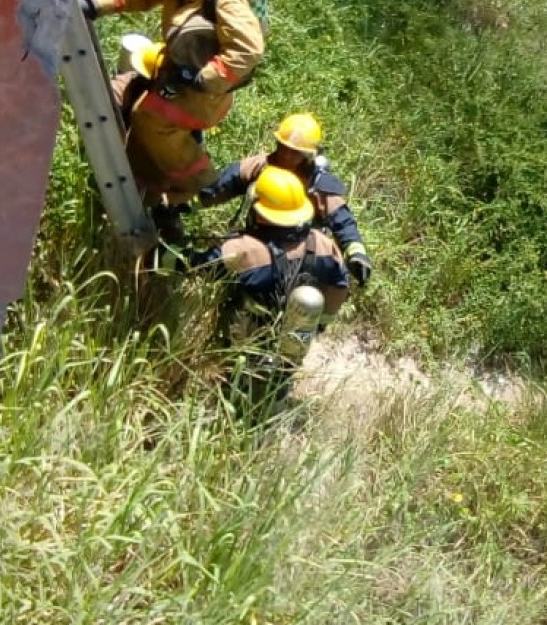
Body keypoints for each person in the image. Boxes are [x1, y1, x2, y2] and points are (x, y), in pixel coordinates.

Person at [163, 166, 350, 399]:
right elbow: (340, 285)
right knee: (275, 386)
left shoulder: (244, 251)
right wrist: (320, 324)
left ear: (260, 213)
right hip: (293, 338)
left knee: (237, 387)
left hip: (246, 338)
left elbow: (191, 264)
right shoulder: (323, 244)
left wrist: (156, 251)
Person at [82, 0, 266, 236]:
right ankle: (149, 188)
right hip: (178, 73)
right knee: (132, 102)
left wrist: (202, 78)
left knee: (149, 122)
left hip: (200, 96)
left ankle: (186, 186)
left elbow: (248, 49)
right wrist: (96, 5)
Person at [196, 112, 374, 287]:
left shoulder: (318, 182)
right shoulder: (259, 167)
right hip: (259, 240)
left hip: (300, 249)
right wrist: (188, 203)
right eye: (283, 147)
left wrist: (356, 252)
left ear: (308, 155)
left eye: (295, 152)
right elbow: (218, 188)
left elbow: (342, 221)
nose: (286, 156)